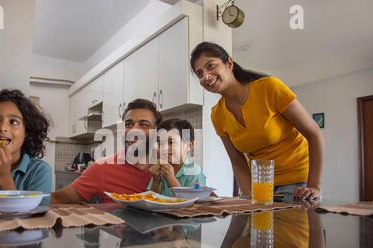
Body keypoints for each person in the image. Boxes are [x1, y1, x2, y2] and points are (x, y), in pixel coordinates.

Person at [190, 42, 324, 200]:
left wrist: (314, 186)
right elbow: (238, 162)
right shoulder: (217, 114)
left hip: (299, 186)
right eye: (200, 74)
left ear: (229, 63)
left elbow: (314, 134)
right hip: (262, 187)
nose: (206, 76)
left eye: (211, 66)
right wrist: (249, 198)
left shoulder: (269, 87)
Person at [51, 99, 162, 204]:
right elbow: (58, 198)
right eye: (128, 124)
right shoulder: (102, 168)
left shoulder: (170, 162)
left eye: (144, 124)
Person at [149, 118, 206, 197]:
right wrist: (156, 180)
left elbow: (194, 205)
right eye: (160, 143)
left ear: (189, 145)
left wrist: (172, 180)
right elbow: (152, 199)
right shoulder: (160, 170)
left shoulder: (194, 172)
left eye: (171, 142)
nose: (164, 148)